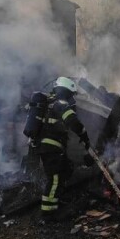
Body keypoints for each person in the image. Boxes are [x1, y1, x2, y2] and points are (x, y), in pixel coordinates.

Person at [29, 77, 91, 221]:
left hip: (46, 147)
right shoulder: (60, 104)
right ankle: (48, 213)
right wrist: (84, 135)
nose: (72, 98)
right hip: (51, 147)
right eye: (71, 94)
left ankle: (56, 201)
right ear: (67, 91)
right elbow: (73, 122)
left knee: (66, 169)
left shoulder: (47, 103)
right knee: (55, 178)